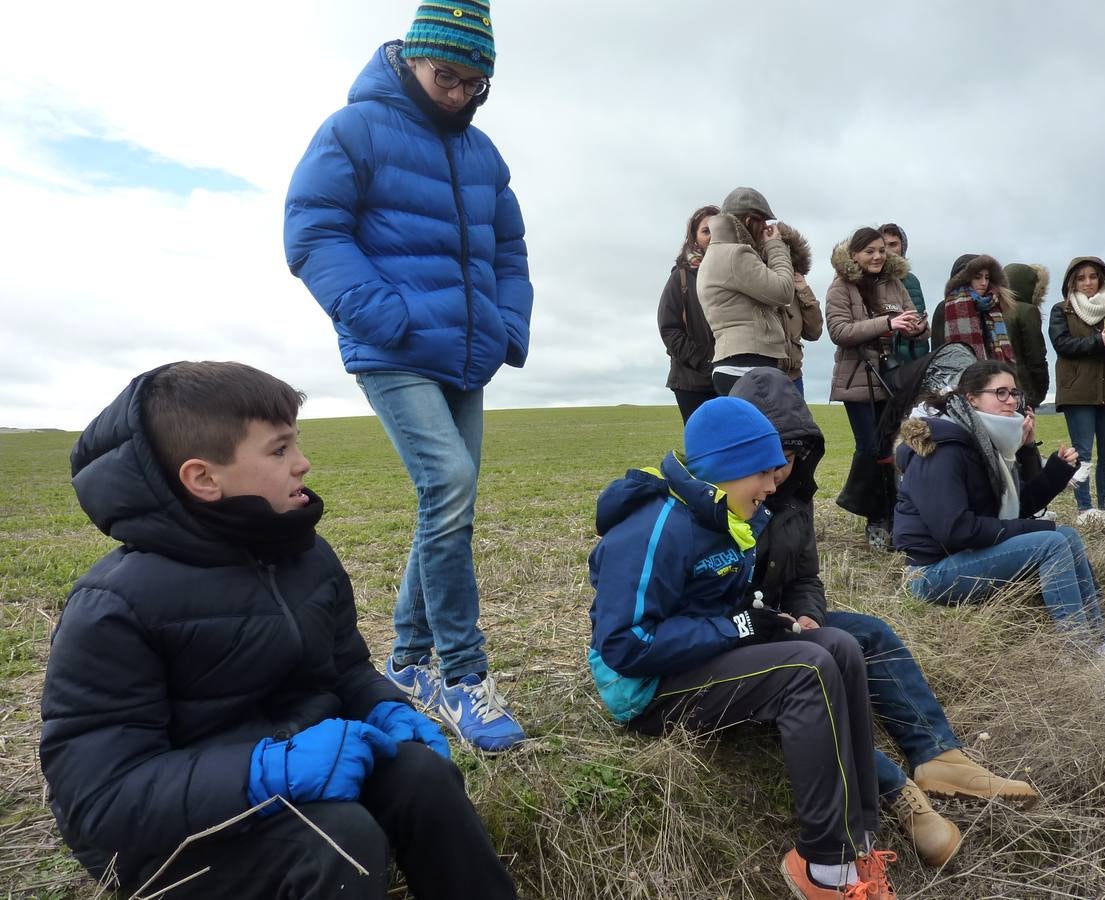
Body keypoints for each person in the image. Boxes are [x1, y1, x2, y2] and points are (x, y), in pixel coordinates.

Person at [39, 362, 516, 899]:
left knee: (422, 777)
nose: (304, 464)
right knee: (338, 840)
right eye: (279, 450)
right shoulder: (113, 606)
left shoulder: (305, 556)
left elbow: (344, 669)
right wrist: (265, 771)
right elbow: (99, 799)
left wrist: (387, 708)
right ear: (203, 478)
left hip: (299, 775)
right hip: (172, 840)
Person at [283, 3, 531, 750]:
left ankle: (408, 662)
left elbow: (511, 250)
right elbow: (312, 229)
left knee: (447, 504)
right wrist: (381, 315)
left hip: (467, 353)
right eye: (445, 76)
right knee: (449, 486)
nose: (457, 93)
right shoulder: (353, 129)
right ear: (411, 59)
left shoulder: (484, 155)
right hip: (392, 350)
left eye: (474, 83)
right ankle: (464, 677)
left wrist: (506, 325)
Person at [587, 396, 898, 899]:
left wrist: (761, 623)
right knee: (808, 669)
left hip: (692, 661)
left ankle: (858, 840)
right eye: (765, 473)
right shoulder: (657, 526)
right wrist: (738, 627)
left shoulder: (724, 514)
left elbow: (715, 613)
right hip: (643, 689)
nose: (774, 486)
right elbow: (625, 645)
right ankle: (823, 868)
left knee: (838, 646)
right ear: (728, 468)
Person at [731, 367, 1038, 869]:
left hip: (785, 619)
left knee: (870, 633)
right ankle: (900, 796)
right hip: (743, 634)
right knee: (814, 682)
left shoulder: (794, 494)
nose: (781, 468)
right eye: (772, 454)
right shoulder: (726, 494)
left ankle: (940, 758)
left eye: (791, 453)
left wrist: (807, 616)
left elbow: (806, 578)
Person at [892, 361, 1105, 690]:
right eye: (999, 392)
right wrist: (1035, 531)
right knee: (1051, 542)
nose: (1011, 401)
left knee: (1066, 535)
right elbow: (954, 530)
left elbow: (1011, 511)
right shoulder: (943, 450)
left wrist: (1043, 461)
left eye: (1014, 393)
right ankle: (1081, 659)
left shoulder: (985, 443)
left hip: (964, 555)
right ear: (971, 399)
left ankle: (1102, 647)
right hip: (931, 573)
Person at [826, 227, 927, 550]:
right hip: (858, 378)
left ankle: (897, 518)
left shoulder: (895, 283)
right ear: (854, 254)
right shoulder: (841, 286)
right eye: (869, 251)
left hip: (890, 378)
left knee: (893, 451)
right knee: (870, 449)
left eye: (882, 250)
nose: (878, 256)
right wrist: (887, 322)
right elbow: (839, 331)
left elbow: (915, 327)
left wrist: (916, 326)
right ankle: (871, 513)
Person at [1048, 257, 1105, 526]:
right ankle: (1085, 510)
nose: (1087, 283)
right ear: (1072, 282)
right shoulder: (1061, 309)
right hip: (1077, 390)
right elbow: (1061, 344)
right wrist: (1097, 342)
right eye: (1081, 278)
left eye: (1093, 277)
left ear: (1102, 279)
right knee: (1083, 453)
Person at [697, 187, 795, 395]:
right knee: (768, 428)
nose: (765, 229)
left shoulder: (716, 253)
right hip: (748, 364)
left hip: (734, 363)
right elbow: (784, 291)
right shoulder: (737, 254)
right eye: (763, 222)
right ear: (750, 221)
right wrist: (776, 246)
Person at [657, 204, 719, 422]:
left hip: (729, 378)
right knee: (702, 447)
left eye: (718, 229)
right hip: (691, 382)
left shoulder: (733, 273)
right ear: (694, 237)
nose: (712, 236)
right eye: (705, 231)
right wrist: (704, 363)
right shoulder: (680, 278)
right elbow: (669, 328)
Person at [930, 255, 1015, 364]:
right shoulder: (945, 308)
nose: (984, 283)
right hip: (958, 375)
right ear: (964, 279)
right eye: (977, 277)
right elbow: (937, 350)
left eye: (987, 277)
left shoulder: (995, 307)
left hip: (994, 375)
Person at [777, 222, 825, 396]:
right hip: (764, 374)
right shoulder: (757, 281)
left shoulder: (797, 287)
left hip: (794, 376)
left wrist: (805, 293)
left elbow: (814, 332)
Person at [1002, 263, 1051, 410]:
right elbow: (1036, 356)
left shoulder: (993, 308)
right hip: (1021, 386)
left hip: (996, 387)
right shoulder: (1027, 311)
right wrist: (1039, 391)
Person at [880, 224, 930, 362]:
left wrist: (919, 330)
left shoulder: (911, 281)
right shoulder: (868, 280)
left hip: (909, 361)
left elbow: (920, 325)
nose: (889, 250)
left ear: (903, 247)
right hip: (877, 359)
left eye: (893, 244)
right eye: (884, 245)